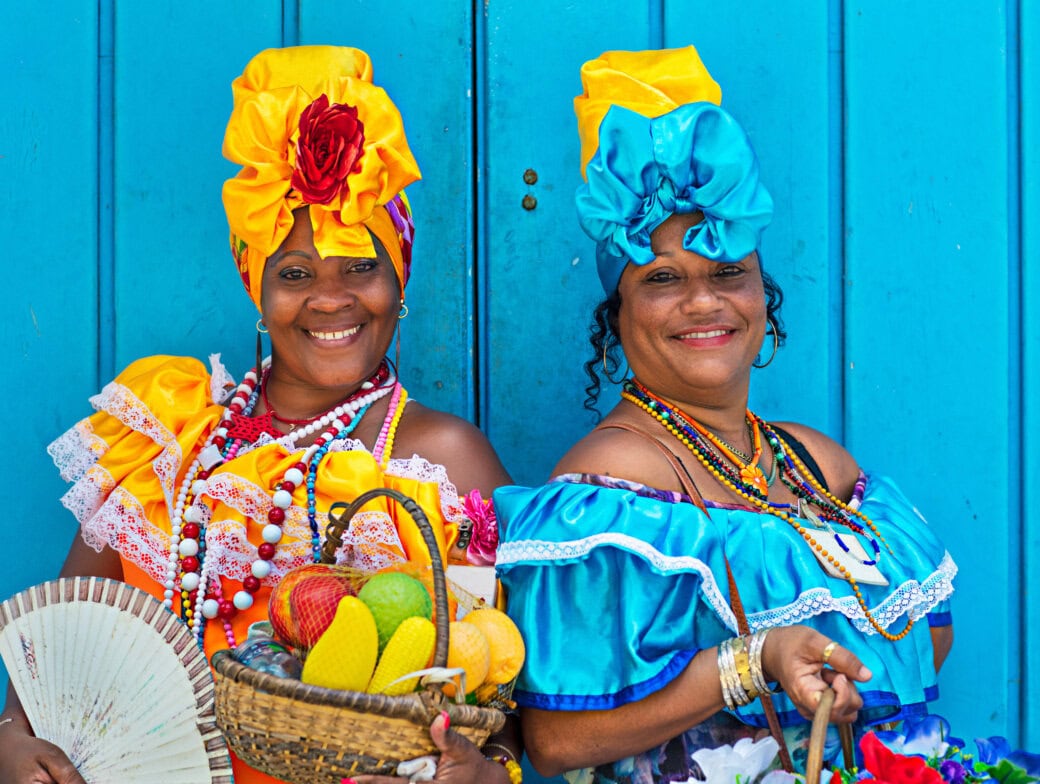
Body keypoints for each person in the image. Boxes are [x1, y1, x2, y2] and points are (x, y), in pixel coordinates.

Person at [1, 46, 519, 784]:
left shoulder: (443, 458)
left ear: (399, 280)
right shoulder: (166, 437)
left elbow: (509, 705)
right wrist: (11, 736)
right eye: (295, 273)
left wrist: (488, 775)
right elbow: (61, 638)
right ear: (258, 288)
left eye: (361, 267)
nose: (329, 298)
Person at [493, 46, 956, 783]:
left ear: (761, 294)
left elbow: (924, 632)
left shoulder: (814, 461)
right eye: (663, 279)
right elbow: (556, 742)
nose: (703, 302)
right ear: (618, 312)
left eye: (727, 273)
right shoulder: (606, 487)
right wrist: (750, 664)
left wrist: (832, 669)